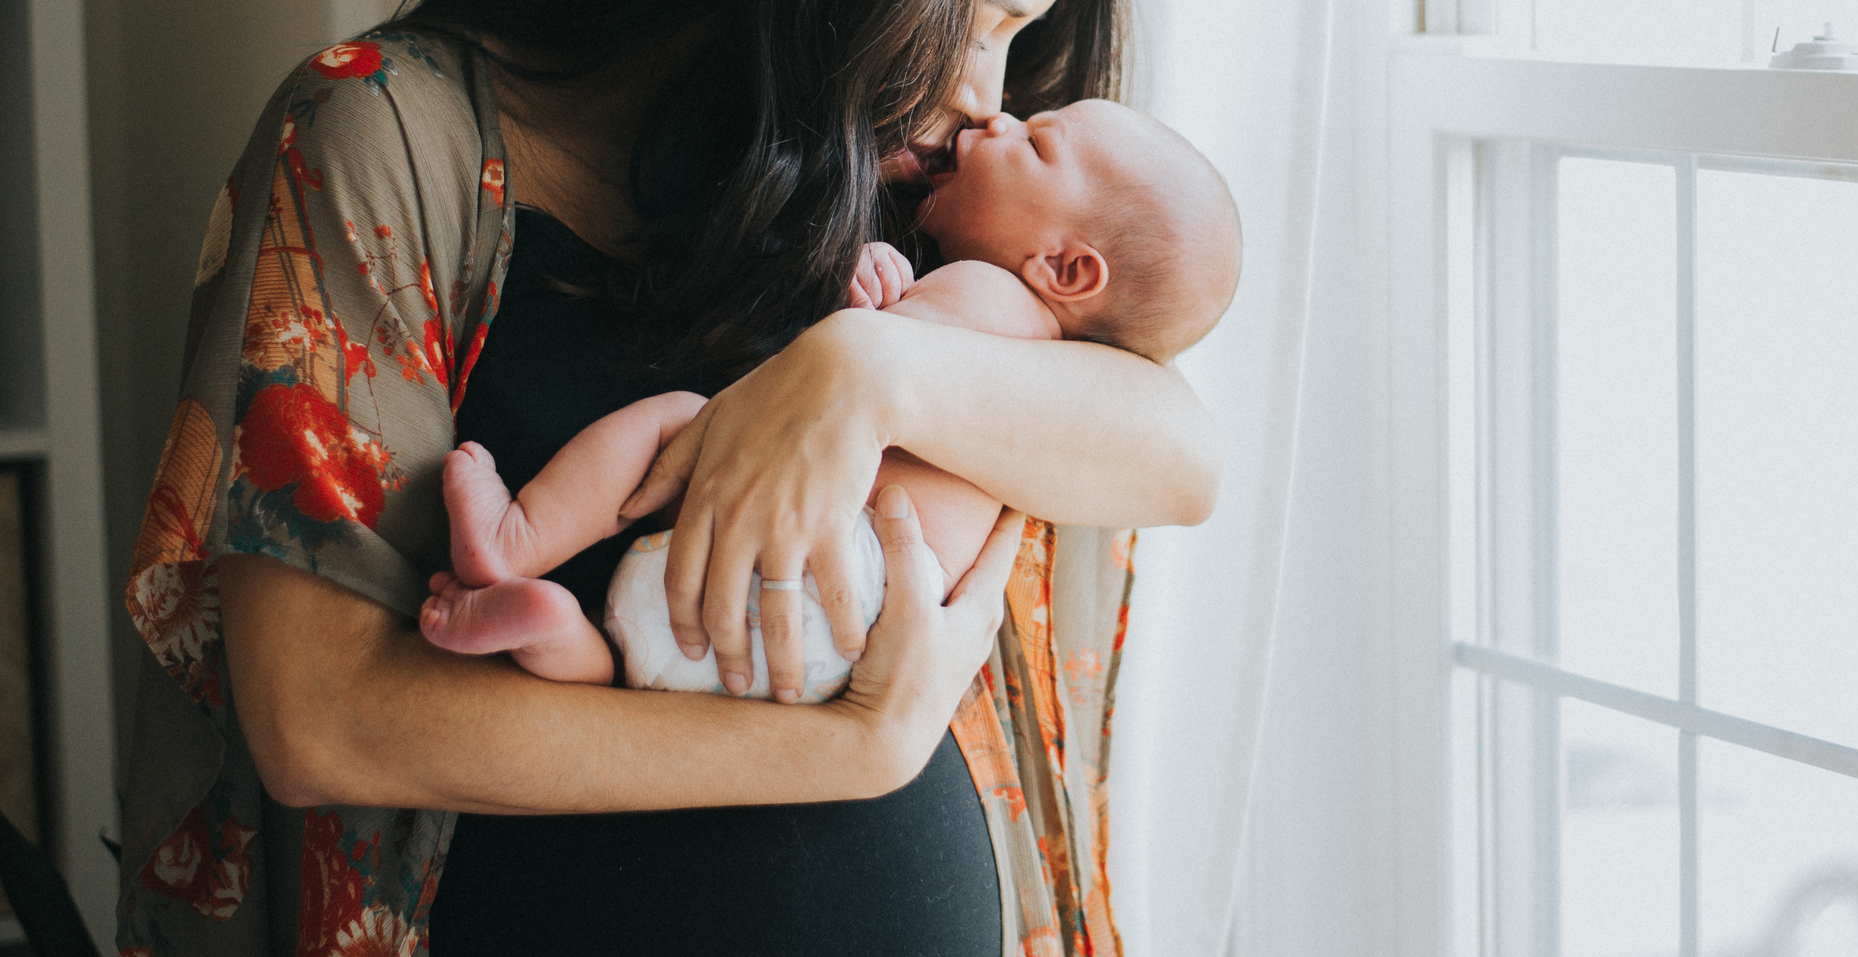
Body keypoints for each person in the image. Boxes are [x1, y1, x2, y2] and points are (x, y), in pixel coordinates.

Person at [117, 0, 1221, 957]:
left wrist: (868, 373)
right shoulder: (384, 134)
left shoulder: (889, 185)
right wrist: (845, 749)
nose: (991, 94)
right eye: (978, 20)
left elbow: (1179, 452)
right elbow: (324, 718)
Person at [418, 98, 1242, 694]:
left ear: (1064, 268)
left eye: (1033, 142)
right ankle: (568, 641)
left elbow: (830, 370)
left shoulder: (990, 299)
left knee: (679, 426)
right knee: (638, 663)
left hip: (816, 562)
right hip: (840, 644)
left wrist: (860, 289)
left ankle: (517, 538)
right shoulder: (1050, 380)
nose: (995, 118)